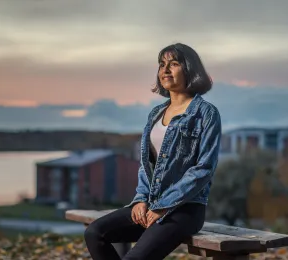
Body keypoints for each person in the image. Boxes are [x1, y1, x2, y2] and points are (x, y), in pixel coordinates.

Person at [84, 43, 222, 260]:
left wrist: (163, 206)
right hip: (149, 205)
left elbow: (203, 169)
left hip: (185, 210)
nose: (165, 70)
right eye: (161, 64)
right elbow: (146, 164)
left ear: (190, 70)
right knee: (95, 233)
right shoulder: (156, 113)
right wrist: (140, 199)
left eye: (174, 64)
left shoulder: (206, 114)